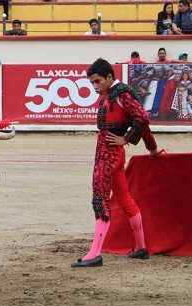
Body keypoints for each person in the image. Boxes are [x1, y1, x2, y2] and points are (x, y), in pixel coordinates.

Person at [71, 58, 162, 268]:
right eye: (92, 82)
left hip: (108, 155)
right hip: (114, 155)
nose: (94, 86)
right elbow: (141, 121)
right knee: (125, 199)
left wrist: (127, 139)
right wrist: (152, 148)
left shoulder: (121, 94)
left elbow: (143, 118)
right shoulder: (113, 94)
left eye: (97, 81)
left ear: (109, 77)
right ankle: (141, 248)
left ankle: (95, 253)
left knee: (100, 198)